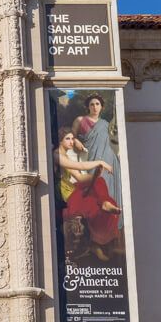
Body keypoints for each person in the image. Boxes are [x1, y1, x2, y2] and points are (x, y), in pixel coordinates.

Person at [55, 128, 121, 262]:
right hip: (63, 197)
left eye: (73, 138)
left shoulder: (64, 154)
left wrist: (96, 178)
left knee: (97, 191)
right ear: (60, 141)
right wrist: (99, 163)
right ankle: (103, 205)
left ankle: (104, 206)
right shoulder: (56, 155)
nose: (72, 142)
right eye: (68, 139)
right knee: (91, 203)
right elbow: (80, 165)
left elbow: (79, 177)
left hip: (70, 192)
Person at [72, 94, 124, 231]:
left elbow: (115, 142)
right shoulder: (80, 120)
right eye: (92, 104)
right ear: (88, 107)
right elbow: (72, 137)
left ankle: (111, 223)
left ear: (102, 107)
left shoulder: (106, 124)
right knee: (95, 189)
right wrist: (76, 141)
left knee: (108, 188)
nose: (95, 107)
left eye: (97, 104)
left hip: (109, 159)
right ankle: (95, 226)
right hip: (92, 159)